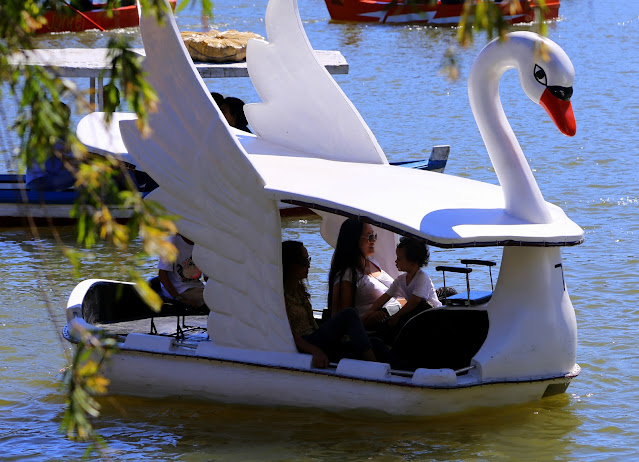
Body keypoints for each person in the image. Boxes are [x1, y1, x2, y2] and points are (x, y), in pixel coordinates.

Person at [282, 240, 378, 368]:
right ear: (290, 265)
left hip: (316, 337)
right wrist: (315, 351)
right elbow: (288, 332)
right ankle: (374, 367)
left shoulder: (299, 290)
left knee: (375, 343)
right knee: (349, 314)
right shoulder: (282, 295)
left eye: (308, 260)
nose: (308, 266)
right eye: (304, 262)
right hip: (306, 344)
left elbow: (313, 325)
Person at [327, 218, 402, 328]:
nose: (374, 240)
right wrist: (372, 318)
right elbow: (342, 320)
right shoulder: (347, 276)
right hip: (380, 327)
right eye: (369, 236)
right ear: (354, 239)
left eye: (374, 235)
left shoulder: (373, 263)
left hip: (397, 315)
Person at [366, 237, 442, 340]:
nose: (396, 261)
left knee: (406, 315)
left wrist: (397, 316)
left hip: (430, 313)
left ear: (413, 262)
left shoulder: (422, 277)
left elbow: (415, 301)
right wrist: (370, 312)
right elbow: (386, 296)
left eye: (399, 258)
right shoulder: (401, 279)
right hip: (415, 312)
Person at [158, 234, 207, 308]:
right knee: (212, 300)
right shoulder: (171, 243)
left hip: (197, 287)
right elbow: (162, 275)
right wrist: (179, 298)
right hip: (178, 289)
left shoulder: (203, 244)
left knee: (222, 296)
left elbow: (208, 276)